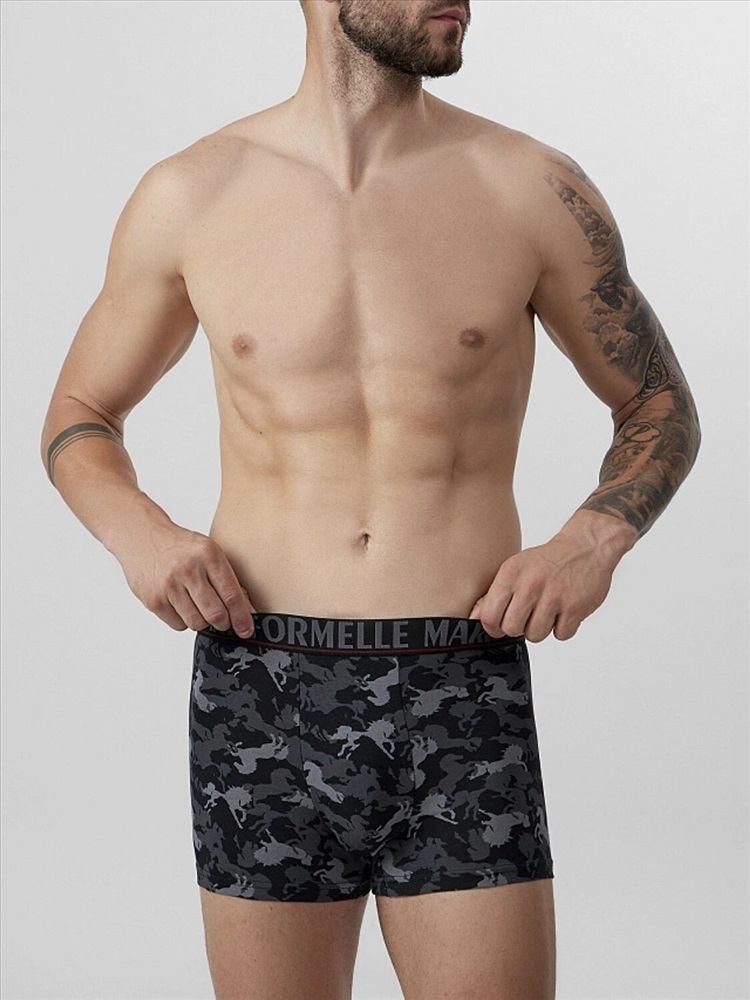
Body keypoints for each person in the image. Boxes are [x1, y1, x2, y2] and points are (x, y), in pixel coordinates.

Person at [40, 0, 701, 996]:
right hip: (261, 690)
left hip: (461, 687)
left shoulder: (530, 188)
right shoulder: (193, 194)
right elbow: (81, 411)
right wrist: (138, 532)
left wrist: (593, 537)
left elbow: (657, 401)